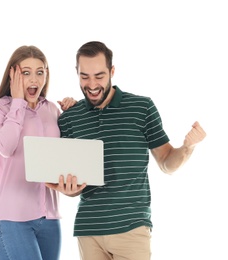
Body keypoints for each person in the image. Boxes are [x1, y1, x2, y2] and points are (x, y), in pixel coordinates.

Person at [46, 41, 207, 260]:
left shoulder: (142, 108)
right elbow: (74, 187)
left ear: (112, 72)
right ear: (77, 73)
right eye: (84, 76)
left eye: (99, 76)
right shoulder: (70, 118)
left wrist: (187, 148)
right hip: (88, 230)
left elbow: (166, 162)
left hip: (131, 229)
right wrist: (68, 189)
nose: (92, 84)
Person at [0, 45, 76, 260]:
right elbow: (6, 147)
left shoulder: (52, 110)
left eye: (40, 72)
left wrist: (75, 113)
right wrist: (18, 102)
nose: (34, 79)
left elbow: (66, 158)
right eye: (25, 73)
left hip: (51, 219)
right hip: (12, 218)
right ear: (12, 75)